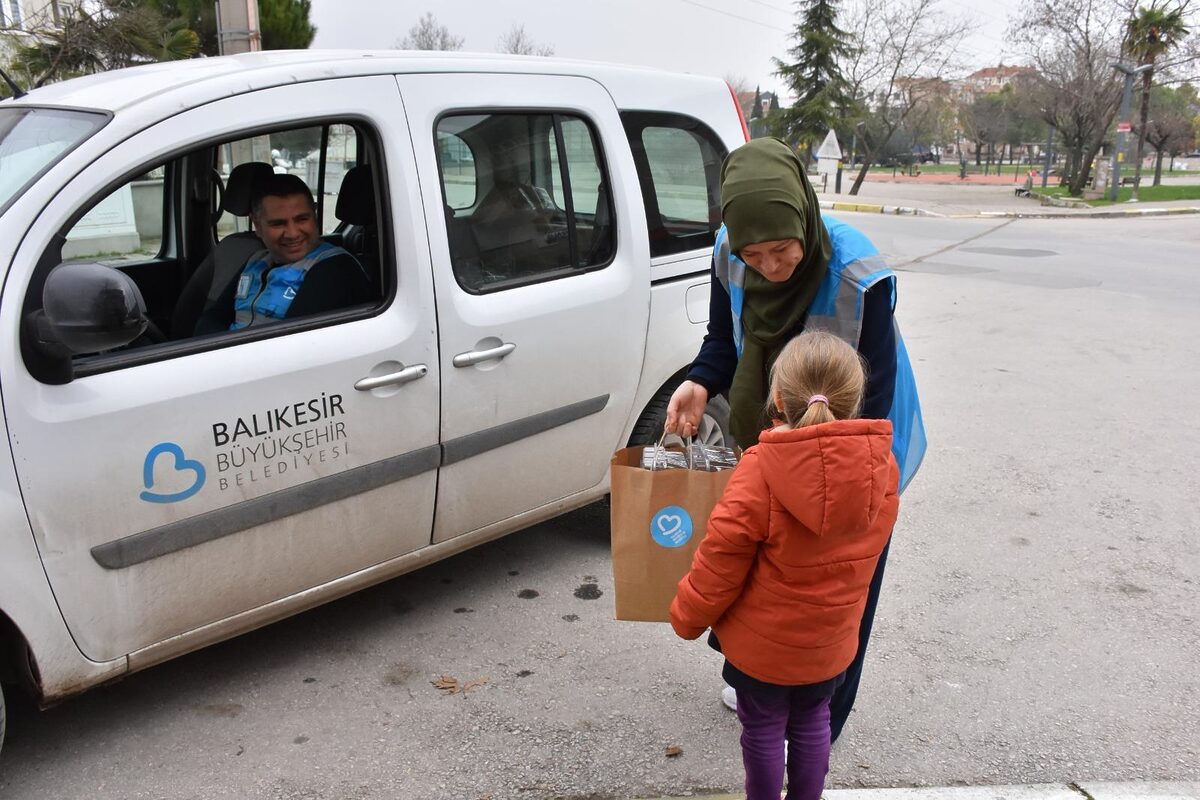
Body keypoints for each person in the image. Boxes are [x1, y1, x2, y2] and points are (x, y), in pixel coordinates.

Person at [664, 137, 925, 741]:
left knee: (836, 589)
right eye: (755, 256)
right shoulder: (730, 251)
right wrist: (700, 382)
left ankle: (823, 720)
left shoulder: (858, 275)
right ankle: (758, 677)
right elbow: (722, 340)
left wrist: (842, 484)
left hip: (864, 445)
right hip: (772, 443)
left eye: (782, 250)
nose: (770, 267)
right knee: (762, 569)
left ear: (803, 215)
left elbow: (875, 397)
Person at [669, 331, 899, 800]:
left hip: (763, 651)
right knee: (815, 720)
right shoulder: (881, 468)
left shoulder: (761, 469)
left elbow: (720, 560)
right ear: (854, 400)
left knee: (763, 728)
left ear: (777, 398)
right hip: (830, 644)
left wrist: (686, 617)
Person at [195, 173, 372, 334]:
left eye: (302, 219)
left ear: (314, 216)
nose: (293, 233)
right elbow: (211, 319)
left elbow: (291, 344)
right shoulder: (257, 261)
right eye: (278, 224)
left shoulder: (334, 268)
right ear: (257, 226)